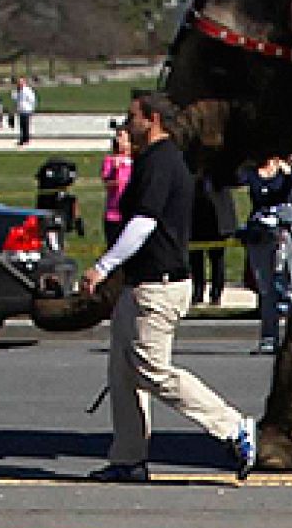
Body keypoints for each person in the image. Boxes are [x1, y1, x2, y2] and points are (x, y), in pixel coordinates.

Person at [79, 91, 255, 483]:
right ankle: (129, 458)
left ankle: (233, 426)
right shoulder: (152, 160)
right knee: (123, 373)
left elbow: (144, 222)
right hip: (141, 284)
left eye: (132, 117)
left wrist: (103, 267)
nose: (126, 126)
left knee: (153, 370)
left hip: (158, 286)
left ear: (153, 119)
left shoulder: (161, 161)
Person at [243, 156, 292, 354]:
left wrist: (288, 171)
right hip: (261, 234)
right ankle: (269, 338)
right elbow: (253, 192)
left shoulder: (286, 173)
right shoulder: (251, 173)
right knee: (266, 288)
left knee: (290, 285)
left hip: (284, 232)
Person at [189, 177, 237, 307]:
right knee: (196, 259)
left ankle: (215, 295)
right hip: (196, 218)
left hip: (216, 220)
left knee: (217, 259)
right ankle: (198, 293)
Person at [99, 129, 134, 246]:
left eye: (123, 138)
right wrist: (115, 169)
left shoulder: (136, 162)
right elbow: (107, 182)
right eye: (118, 137)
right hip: (113, 214)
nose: (119, 140)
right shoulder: (110, 161)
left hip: (131, 213)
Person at [12, 76, 36, 145]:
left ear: (24, 82)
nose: (20, 83)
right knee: (22, 125)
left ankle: (25, 139)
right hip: (21, 110)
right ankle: (23, 139)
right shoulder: (18, 91)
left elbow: (32, 99)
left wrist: (31, 108)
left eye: (21, 82)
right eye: (19, 82)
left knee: (25, 125)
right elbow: (14, 98)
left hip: (26, 110)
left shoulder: (27, 90)